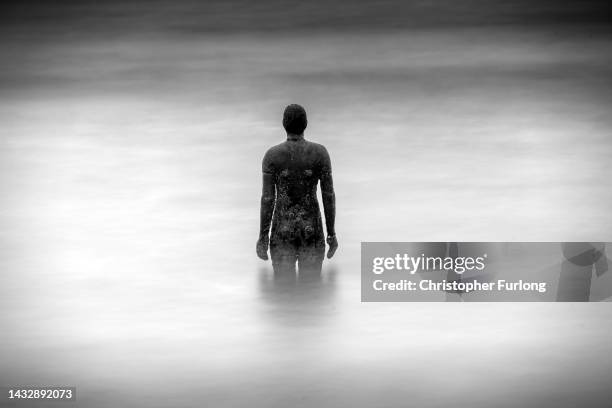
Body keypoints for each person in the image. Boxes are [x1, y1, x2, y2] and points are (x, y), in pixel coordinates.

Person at [256, 104, 338, 274]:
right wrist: (331, 233)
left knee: (284, 291)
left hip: (282, 230)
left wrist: (263, 237)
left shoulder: (272, 156)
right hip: (312, 229)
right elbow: (328, 196)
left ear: (284, 124)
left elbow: (267, 199)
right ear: (305, 123)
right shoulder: (320, 153)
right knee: (311, 290)